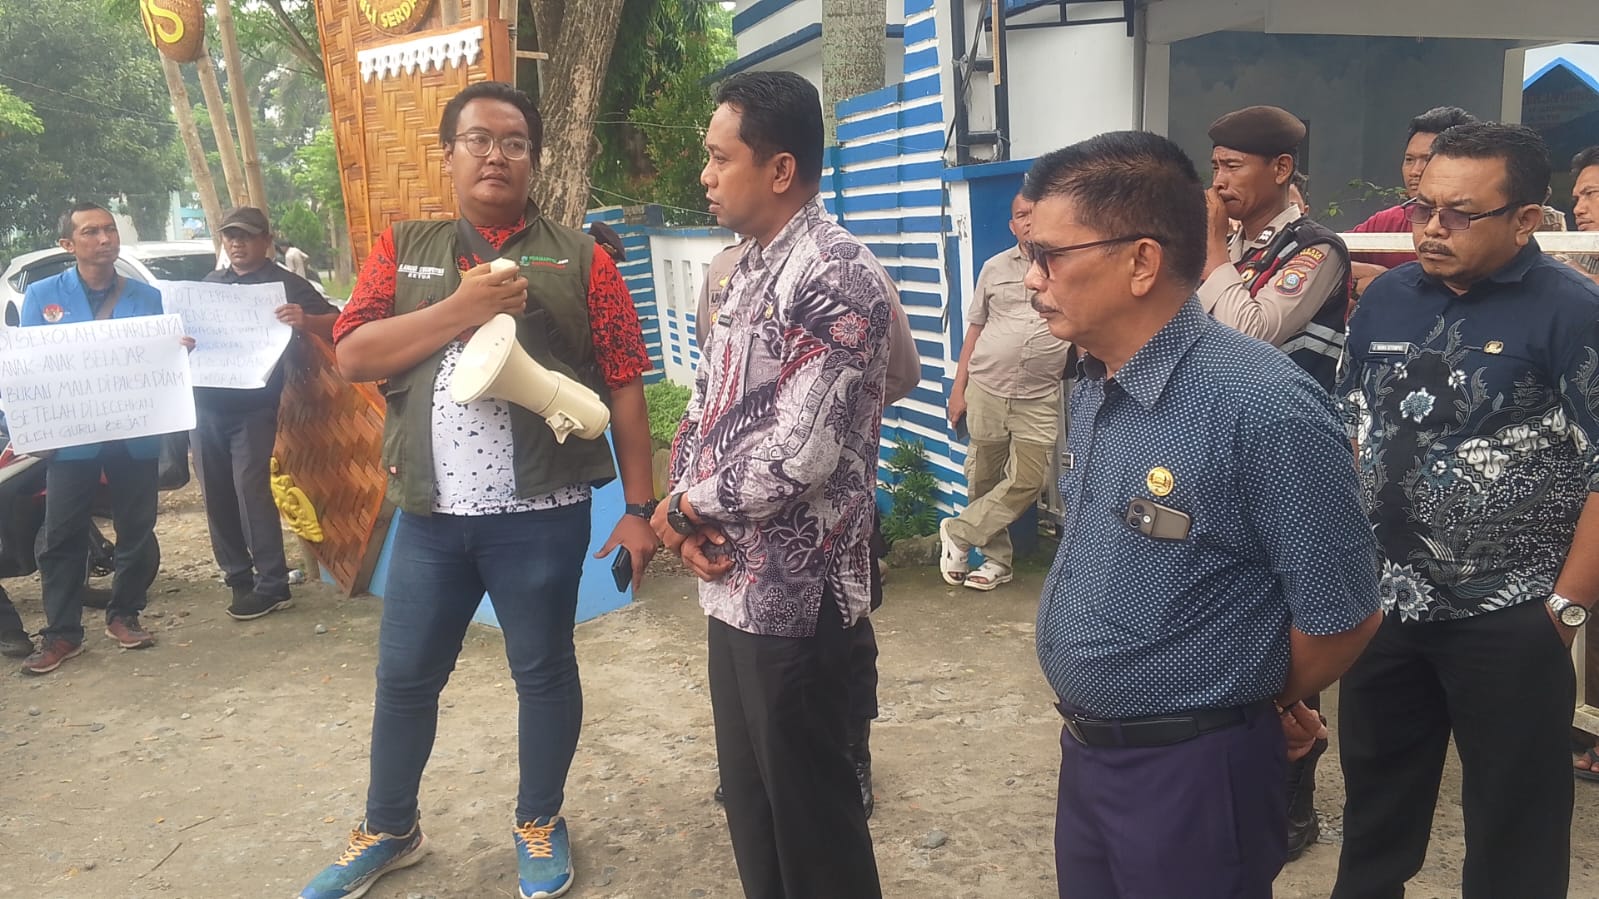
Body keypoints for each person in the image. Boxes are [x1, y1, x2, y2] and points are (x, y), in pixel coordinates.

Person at [296, 81, 656, 899]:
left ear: (534, 158)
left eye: (514, 142)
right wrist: (460, 308)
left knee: (543, 669)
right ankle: (390, 827)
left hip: (542, 515)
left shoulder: (583, 258)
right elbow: (353, 354)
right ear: (449, 154)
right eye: (478, 140)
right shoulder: (404, 247)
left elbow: (626, 381)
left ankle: (539, 819)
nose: (496, 155)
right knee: (405, 676)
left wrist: (639, 510)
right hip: (430, 516)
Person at [1025, 130, 1381, 899]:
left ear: (1141, 262)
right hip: (1089, 755)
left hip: (1191, 773)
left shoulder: (1262, 407)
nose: (1031, 278)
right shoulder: (1095, 380)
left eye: (1049, 255)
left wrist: (1250, 700)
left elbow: (1343, 614)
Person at [1333, 121, 1599, 899]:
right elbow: (1351, 426)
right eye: (1422, 207)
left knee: (1514, 831)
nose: (1430, 227)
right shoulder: (1385, 300)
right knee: (1373, 817)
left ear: (1525, 219)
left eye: (1459, 213)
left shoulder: (1572, 312)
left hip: (1510, 618)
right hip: (1386, 611)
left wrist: (1564, 609)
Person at [651, 70, 885, 899]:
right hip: (734, 583)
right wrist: (680, 514)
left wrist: (684, 506)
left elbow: (798, 454)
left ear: (780, 168)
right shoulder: (749, 267)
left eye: (720, 158)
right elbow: (706, 405)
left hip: (798, 596)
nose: (705, 175)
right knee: (752, 806)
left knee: (813, 823)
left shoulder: (835, 273)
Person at [695, 236, 922, 817]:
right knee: (755, 691)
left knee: (847, 632)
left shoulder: (837, 268)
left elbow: (898, 370)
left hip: (821, 512)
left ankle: (852, 751)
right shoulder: (727, 269)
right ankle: (766, 762)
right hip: (735, 520)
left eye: (721, 172)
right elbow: (713, 388)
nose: (708, 189)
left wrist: (836, 423)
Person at [16, 202, 193, 675]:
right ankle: (62, 633)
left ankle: (125, 614)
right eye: (91, 231)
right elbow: (28, 366)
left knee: (136, 528)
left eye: (109, 229)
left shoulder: (144, 297)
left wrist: (177, 352)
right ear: (68, 244)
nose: (104, 238)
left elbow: (157, 360)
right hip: (71, 436)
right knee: (60, 535)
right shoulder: (42, 296)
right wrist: (30, 426)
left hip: (134, 432)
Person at [196, 207, 338, 621]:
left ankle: (273, 583)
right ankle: (237, 575)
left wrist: (306, 320)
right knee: (216, 493)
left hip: (254, 407)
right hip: (205, 405)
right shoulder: (209, 285)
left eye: (246, 236)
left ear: (266, 242)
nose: (237, 244)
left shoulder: (286, 284)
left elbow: (340, 322)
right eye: (230, 236)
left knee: (252, 491)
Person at [941, 192, 1071, 591]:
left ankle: (960, 531)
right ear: (1012, 225)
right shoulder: (994, 268)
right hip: (987, 386)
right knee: (984, 477)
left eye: (1034, 213)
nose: (1028, 221)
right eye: (1020, 215)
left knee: (1028, 480)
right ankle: (996, 561)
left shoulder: (1069, 265)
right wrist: (958, 389)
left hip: (1039, 394)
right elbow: (975, 329)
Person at [1200, 104, 1351, 393]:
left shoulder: (1315, 247)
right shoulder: (1228, 247)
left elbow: (1250, 337)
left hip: (1286, 414)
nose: (1218, 182)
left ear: (1281, 169)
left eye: (1233, 166)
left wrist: (1214, 248)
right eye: (1216, 167)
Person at [1348, 106, 1480, 295]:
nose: (1415, 171)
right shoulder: (1389, 221)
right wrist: (1358, 280)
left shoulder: (1481, 223)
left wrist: (1390, 281)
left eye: (1427, 159)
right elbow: (1328, 256)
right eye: (1409, 160)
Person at [1561, 145, 1599, 288]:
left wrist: (1584, 281)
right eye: (1576, 200)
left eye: (1590, 193)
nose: (1577, 210)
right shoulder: (1577, 256)